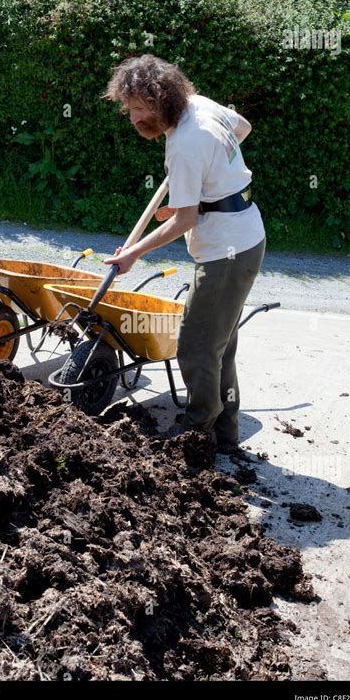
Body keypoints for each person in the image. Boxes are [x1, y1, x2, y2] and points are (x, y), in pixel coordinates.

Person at [102, 54, 266, 451]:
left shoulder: (185, 145)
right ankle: (225, 436)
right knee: (219, 344)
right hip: (245, 236)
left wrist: (134, 253)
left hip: (226, 253)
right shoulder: (201, 106)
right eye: (129, 108)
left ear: (161, 102)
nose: (133, 118)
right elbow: (241, 127)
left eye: (139, 109)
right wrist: (194, 188)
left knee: (195, 345)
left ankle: (196, 432)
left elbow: (184, 222)